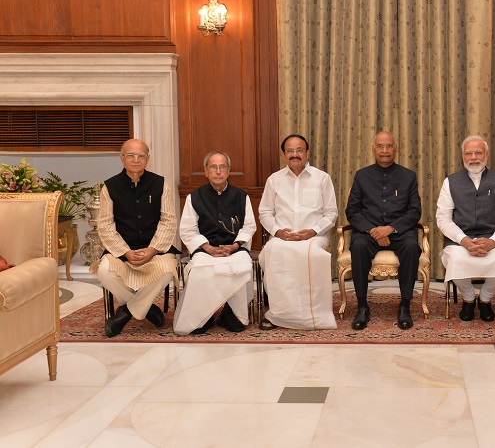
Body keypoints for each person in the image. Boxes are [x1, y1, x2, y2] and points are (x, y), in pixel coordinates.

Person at [95, 139, 180, 338]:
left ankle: (126, 313)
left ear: (147, 159)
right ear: (122, 158)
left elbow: (168, 220)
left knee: (168, 270)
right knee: (104, 271)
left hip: (155, 250)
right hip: (123, 250)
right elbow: (105, 225)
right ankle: (146, 307)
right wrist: (125, 252)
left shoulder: (160, 184)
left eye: (141, 155)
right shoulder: (109, 187)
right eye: (130, 155)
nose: (136, 159)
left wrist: (152, 249)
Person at [258, 134, 338, 330]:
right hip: (282, 237)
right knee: (271, 253)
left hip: (313, 237)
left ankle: (314, 314)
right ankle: (279, 314)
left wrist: (311, 231)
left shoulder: (322, 178)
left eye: (299, 150)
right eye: (290, 151)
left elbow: (331, 214)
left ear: (307, 152)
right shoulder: (274, 180)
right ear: (284, 155)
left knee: (311, 255)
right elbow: (265, 212)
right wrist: (278, 232)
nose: (295, 155)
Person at [436, 135, 495, 322]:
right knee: (456, 259)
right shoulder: (450, 182)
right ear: (463, 156)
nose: (474, 157)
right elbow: (443, 218)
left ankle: (485, 298)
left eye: (478, 152)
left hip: (493, 239)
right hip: (460, 240)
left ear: (486, 154)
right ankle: (468, 298)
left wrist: (492, 242)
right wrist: (463, 240)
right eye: (469, 153)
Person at [345, 131, 422, 330]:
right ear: (373, 149)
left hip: (400, 231)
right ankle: (362, 306)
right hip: (368, 232)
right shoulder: (362, 176)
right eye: (380, 146)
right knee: (359, 246)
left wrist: (390, 229)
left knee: (412, 247)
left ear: (395, 149)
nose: (385, 151)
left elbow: (415, 212)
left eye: (389, 146)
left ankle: (404, 305)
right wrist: (373, 231)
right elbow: (351, 211)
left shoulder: (408, 176)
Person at [174, 151, 256, 335]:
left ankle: (231, 314)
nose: (218, 171)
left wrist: (235, 245)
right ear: (206, 171)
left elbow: (249, 226)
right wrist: (207, 247)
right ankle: (204, 315)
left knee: (242, 266)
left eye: (222, 167)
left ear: (228, 171)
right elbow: (188, 229)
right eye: (213, 167)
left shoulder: (241, 196)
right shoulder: (194, 197)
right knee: (199, 269)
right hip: (205, 249)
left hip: (234, 248)